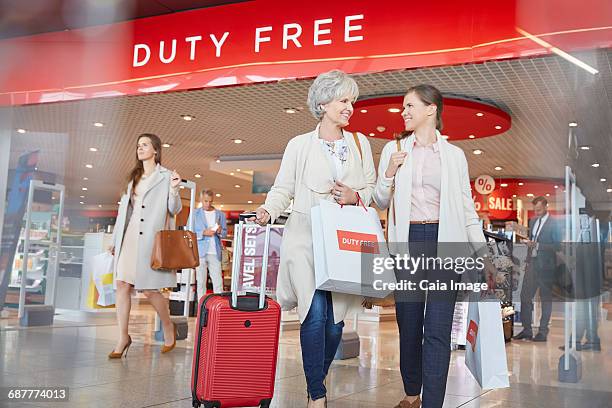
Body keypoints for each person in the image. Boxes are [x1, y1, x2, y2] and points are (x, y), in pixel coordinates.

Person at [253, 70, 376, 408]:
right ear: (323, 104)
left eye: (352, 101)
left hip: (343, 241)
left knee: (335, 324)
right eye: (343, 100)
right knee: (314, 313)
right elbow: (283, 188)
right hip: (305, 237)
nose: (350, 107)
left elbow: (370, 189)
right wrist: (268, 209)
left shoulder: (359, 144)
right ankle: (317, 394)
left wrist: (355, 195)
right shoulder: (300, 145)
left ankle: (315, 381)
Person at [374, 84, 488, 408]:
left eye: (410, 106)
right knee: (409, 327)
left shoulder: (454, 156)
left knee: (437, 332)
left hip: (445, 246)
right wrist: (390, 171)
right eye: (404, 107)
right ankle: (412, 394)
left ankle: (432, 404)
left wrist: (483, 255)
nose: (404, 112)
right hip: (407, 244)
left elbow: (467, 210)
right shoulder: (394, 149)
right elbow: (380, 199)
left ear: (431, 110)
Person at [109, 133, 182, 358]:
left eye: (144, 145)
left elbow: (174, 208)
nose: (140, 149)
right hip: (130, 236)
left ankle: (168, 325)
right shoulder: (134, 178)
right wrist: (115, 240)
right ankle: (123, 337)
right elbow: (125, 212)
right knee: (122, 284)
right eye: (138, 145)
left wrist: (175, 189)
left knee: (149, 290)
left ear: (156, 150)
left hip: (151, 239)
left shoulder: (166, 176)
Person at [514, 196, 562, 342]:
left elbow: (558, 246)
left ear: (546, 207)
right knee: (525, 296)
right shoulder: (533, 221)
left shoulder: (554, 223)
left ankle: (542, 332)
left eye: (539, 209)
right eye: (535, 209)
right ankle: (527, 330)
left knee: (545, 299)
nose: (537, 212)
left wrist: (538, 245)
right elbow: (532, 240)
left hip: (547, 266)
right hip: (532, 264)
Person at [193, 189, 228, 299]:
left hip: (215, 252)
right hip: (200, 252)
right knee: (201, 283)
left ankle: (218, 309)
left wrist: (220, 231)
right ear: (201, 200)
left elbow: (225, 233)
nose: (208, 204)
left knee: (218, 283)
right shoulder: (195, 214)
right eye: (205, 201)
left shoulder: (220, 214)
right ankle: (201, 309)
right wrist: (203, 233)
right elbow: (189, 232)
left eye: (210, 201)